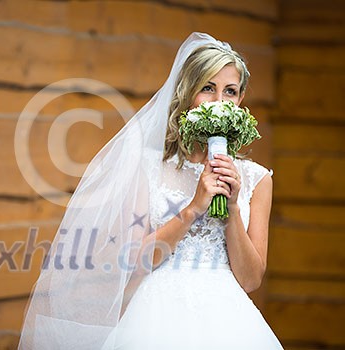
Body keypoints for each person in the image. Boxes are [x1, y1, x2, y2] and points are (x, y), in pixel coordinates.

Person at [18, 32, 283, 349]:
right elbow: (135, 261)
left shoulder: (256, 179)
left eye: (230, 91)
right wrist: (193, 209)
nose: (219, 102)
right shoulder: (148, 169)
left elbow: (251, 280)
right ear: (187, 94)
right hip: (156, 316)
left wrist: (232, 209)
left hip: (229, 321)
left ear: (240, 102)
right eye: (208, 88)